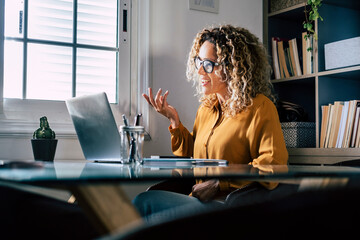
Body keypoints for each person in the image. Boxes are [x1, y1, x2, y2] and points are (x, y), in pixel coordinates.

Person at [133, 24, 288, 221]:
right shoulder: (206, 109)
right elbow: (192, 158)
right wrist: (174, 120)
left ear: (232, 67)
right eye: (199, 62)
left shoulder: (260, 108)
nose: (199, 71)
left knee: (144, 202)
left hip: (228, 207)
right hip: (198, 201)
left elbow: (272, 166)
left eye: (208, 64)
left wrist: (219, 183)